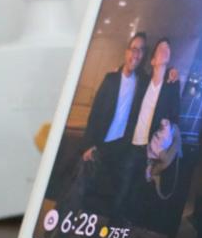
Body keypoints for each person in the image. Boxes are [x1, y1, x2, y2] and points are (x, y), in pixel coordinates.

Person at [65, 33, 147, 215]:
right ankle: (60, 222)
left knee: (100, 194)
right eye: (134, 48)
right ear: (127, 52)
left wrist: (172, 75)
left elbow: (160, 82)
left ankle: (90, 228)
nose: (137, 54)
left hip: (119, 147)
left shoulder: (142, 83)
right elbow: (94, 114)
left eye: (142, 50)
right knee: (78, 187)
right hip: (98, 143)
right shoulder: (110, 79)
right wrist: (88, 145)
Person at [117, 38, 181, 227]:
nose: (165, 50)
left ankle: (126, 229)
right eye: (161, 48)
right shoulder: (143, 81)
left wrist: (175, 76)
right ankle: (113, 223)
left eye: (168, 48)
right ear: (152, 60)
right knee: (123, 187)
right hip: (133, 144)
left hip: (151, 149)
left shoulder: (171, 85)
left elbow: (176, 114)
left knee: (140, 191)